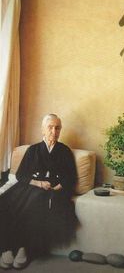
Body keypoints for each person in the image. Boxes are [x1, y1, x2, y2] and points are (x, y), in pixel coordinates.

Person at [0, 114, 78, 269]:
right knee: (6, 201)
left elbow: (70, 177)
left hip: (51, 190)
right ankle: (6, 247)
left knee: (34, 203)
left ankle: (22, 248)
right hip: (31, 186)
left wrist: (58, 187)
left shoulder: (64, 151)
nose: (54, 131)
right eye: (50, 127)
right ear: (43, 129)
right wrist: (38, 182)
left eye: (57, 128)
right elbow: (21, 174)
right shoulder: (33, 150)